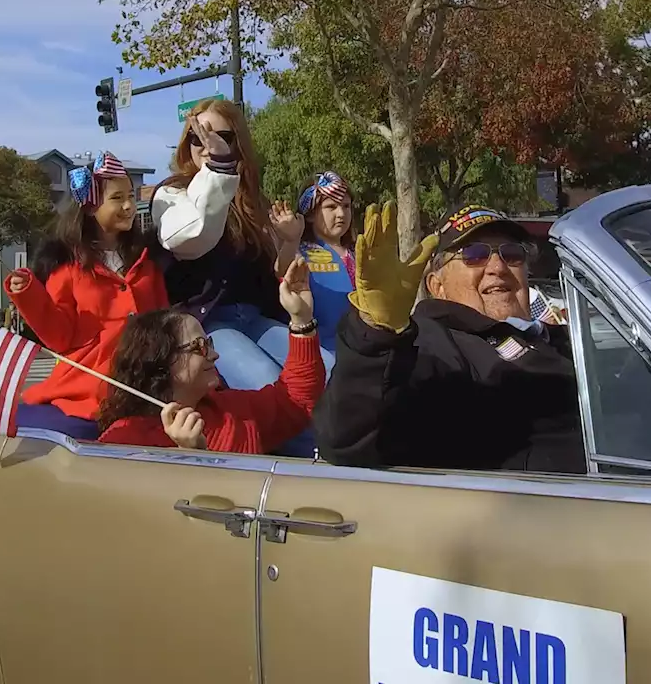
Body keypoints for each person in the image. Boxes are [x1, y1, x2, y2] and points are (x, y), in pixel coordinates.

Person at [314, 202, 586, 473]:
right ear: (437, 286)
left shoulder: (559, 336)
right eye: (474, 254)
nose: (497, 267)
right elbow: (346, 438)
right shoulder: (436, 343)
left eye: (512, 253)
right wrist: (374, 335)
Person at [5, 151, 169, 441]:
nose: (130, 206)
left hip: (146, 386)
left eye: (130, 196)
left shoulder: (146, 261)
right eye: (117, 198)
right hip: (89, 386)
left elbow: (165, 322)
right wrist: (29, 295)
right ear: (92, 206)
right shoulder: (69, 267)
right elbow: (59, 337)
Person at [97, 259, 325, 452]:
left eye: (209, 343)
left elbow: (296, 401)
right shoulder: (124, 440)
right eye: (199, 346)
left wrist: (301, 319)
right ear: (160, 361)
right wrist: (190, 458)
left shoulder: (233, 410)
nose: (215, 355)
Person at [150, 98, 290, 392]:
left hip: (257, 317)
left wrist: (290, 240)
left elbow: (277, 270)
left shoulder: (253, 202)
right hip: (206, 324)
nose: (206, 144)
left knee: (323, 370)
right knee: (271, 383)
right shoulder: (171, 192)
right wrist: (219, 167)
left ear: (238, 143)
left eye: (220, 136)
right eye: (196, 136)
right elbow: (192, 237)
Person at [270, 171, 357, 374]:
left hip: (359, 350)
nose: (341, 214)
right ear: (309, 214)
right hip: (319, 353)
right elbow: (281, 270)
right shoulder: (301, 251)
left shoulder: (359, 252)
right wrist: (291, 240)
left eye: (346, 206)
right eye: (331, 207)